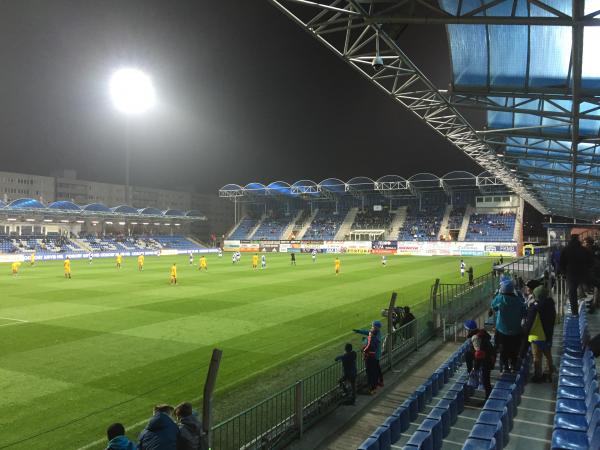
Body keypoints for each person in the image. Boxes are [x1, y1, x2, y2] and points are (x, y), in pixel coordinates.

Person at [491, 277, 526, 372]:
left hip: (502, 331)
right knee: (514, 350)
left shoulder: (500, 298)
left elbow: (493, 306)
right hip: (516, 331)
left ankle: (505, 367)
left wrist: (498, 294)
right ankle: (513, 366)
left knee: (503, 350)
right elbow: (524, 313)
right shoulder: (519, 301)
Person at [523, 286, 556, 382]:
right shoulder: (551, 305)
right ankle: (549, 373)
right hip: (548, 335)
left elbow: (529, 324)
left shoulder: (536, 308)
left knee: (536, 357)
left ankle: (538, 375)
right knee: (548, 355)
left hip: (536, 337)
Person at [560, 234, 593, 315]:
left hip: (571, 274)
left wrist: (564, 272)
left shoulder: (566, 249)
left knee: (572, 292)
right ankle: (591, 303)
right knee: (592, 286)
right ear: (578, 239)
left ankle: (574, 312)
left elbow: (562, 263)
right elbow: (590, 261)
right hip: (583, 274)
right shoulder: (583, 249)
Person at [463, 320, 495, 399]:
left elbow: (478, 354)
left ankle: (488, 397)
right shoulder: (481, 333)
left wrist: (475, 368)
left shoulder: (475, 337)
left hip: (486, 360)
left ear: (470, 330)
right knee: (468, 354)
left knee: (485, 379)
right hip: (489, 357)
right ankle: (488, 395)